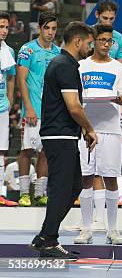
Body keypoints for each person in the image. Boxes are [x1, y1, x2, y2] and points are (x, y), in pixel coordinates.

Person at [30, 22, 97, 260]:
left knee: (74, 185)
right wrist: (90, 128)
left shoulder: (64, 64)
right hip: (60, 135)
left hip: (62, 134)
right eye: (89, 43)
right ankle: (49, 240)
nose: (90, 47)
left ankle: (45, 235)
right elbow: (74, 107)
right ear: (77, 41)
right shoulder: (64, 66)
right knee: (61, 189)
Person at [74, 24, 122, 246]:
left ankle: (112, 230)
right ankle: (86, 228)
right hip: (86, 128)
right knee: (86, 178)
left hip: (111, 128)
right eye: (102, 40)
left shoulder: (119, 68)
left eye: (110, 41)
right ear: (93, 41)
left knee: (111, 178)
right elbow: (75, 96)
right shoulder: (80, 66)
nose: (106, 44)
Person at [16, 12, 61, 207]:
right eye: (47, 28)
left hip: (51, 112)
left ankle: (39, 193)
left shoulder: (58, 52)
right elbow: (21, 80)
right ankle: (24, 193)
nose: (50, 32)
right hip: (32, 111)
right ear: (39, 28)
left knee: (45, 152)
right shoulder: (27, 50)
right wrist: (29, 108)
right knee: (27, 150)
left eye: (53, 28)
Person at [0, 13, 17, 207]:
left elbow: (11, 77)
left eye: (6, 27)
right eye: (1, 27)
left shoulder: (9, 52)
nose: (4, 31)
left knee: (1, 151)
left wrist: (10, 99)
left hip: (2, 107)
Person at [95, 0, 122, 64]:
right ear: (97, 14)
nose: (108, 23)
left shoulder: (118, 37)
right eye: (105, 18)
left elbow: (120, 63)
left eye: (111, 19)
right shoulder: (87, 33)